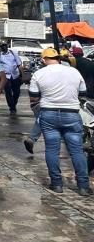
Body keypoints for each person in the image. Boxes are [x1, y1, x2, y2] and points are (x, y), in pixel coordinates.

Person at [28, 48, 92, 195]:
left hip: (48, 114)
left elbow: (33, 97)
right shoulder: (74, 72)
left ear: (44, 60)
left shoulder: (38, 74)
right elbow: (83, 94)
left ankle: (57, 184)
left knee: (52, 150)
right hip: (71, 114)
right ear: (58, 58)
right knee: (77, 151)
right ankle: (83, 187)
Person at [0, 41, 23, 116]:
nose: (3, 47)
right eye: (2, 46)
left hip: (15, 75)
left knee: (17, 92)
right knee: (8, 93)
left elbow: (19, 64)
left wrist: (23, 75)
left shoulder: (13, 52)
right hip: (5, 77)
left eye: (4, 45)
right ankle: (12, 108)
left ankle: (13, 104)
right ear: (0, 47)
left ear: (7, 45)